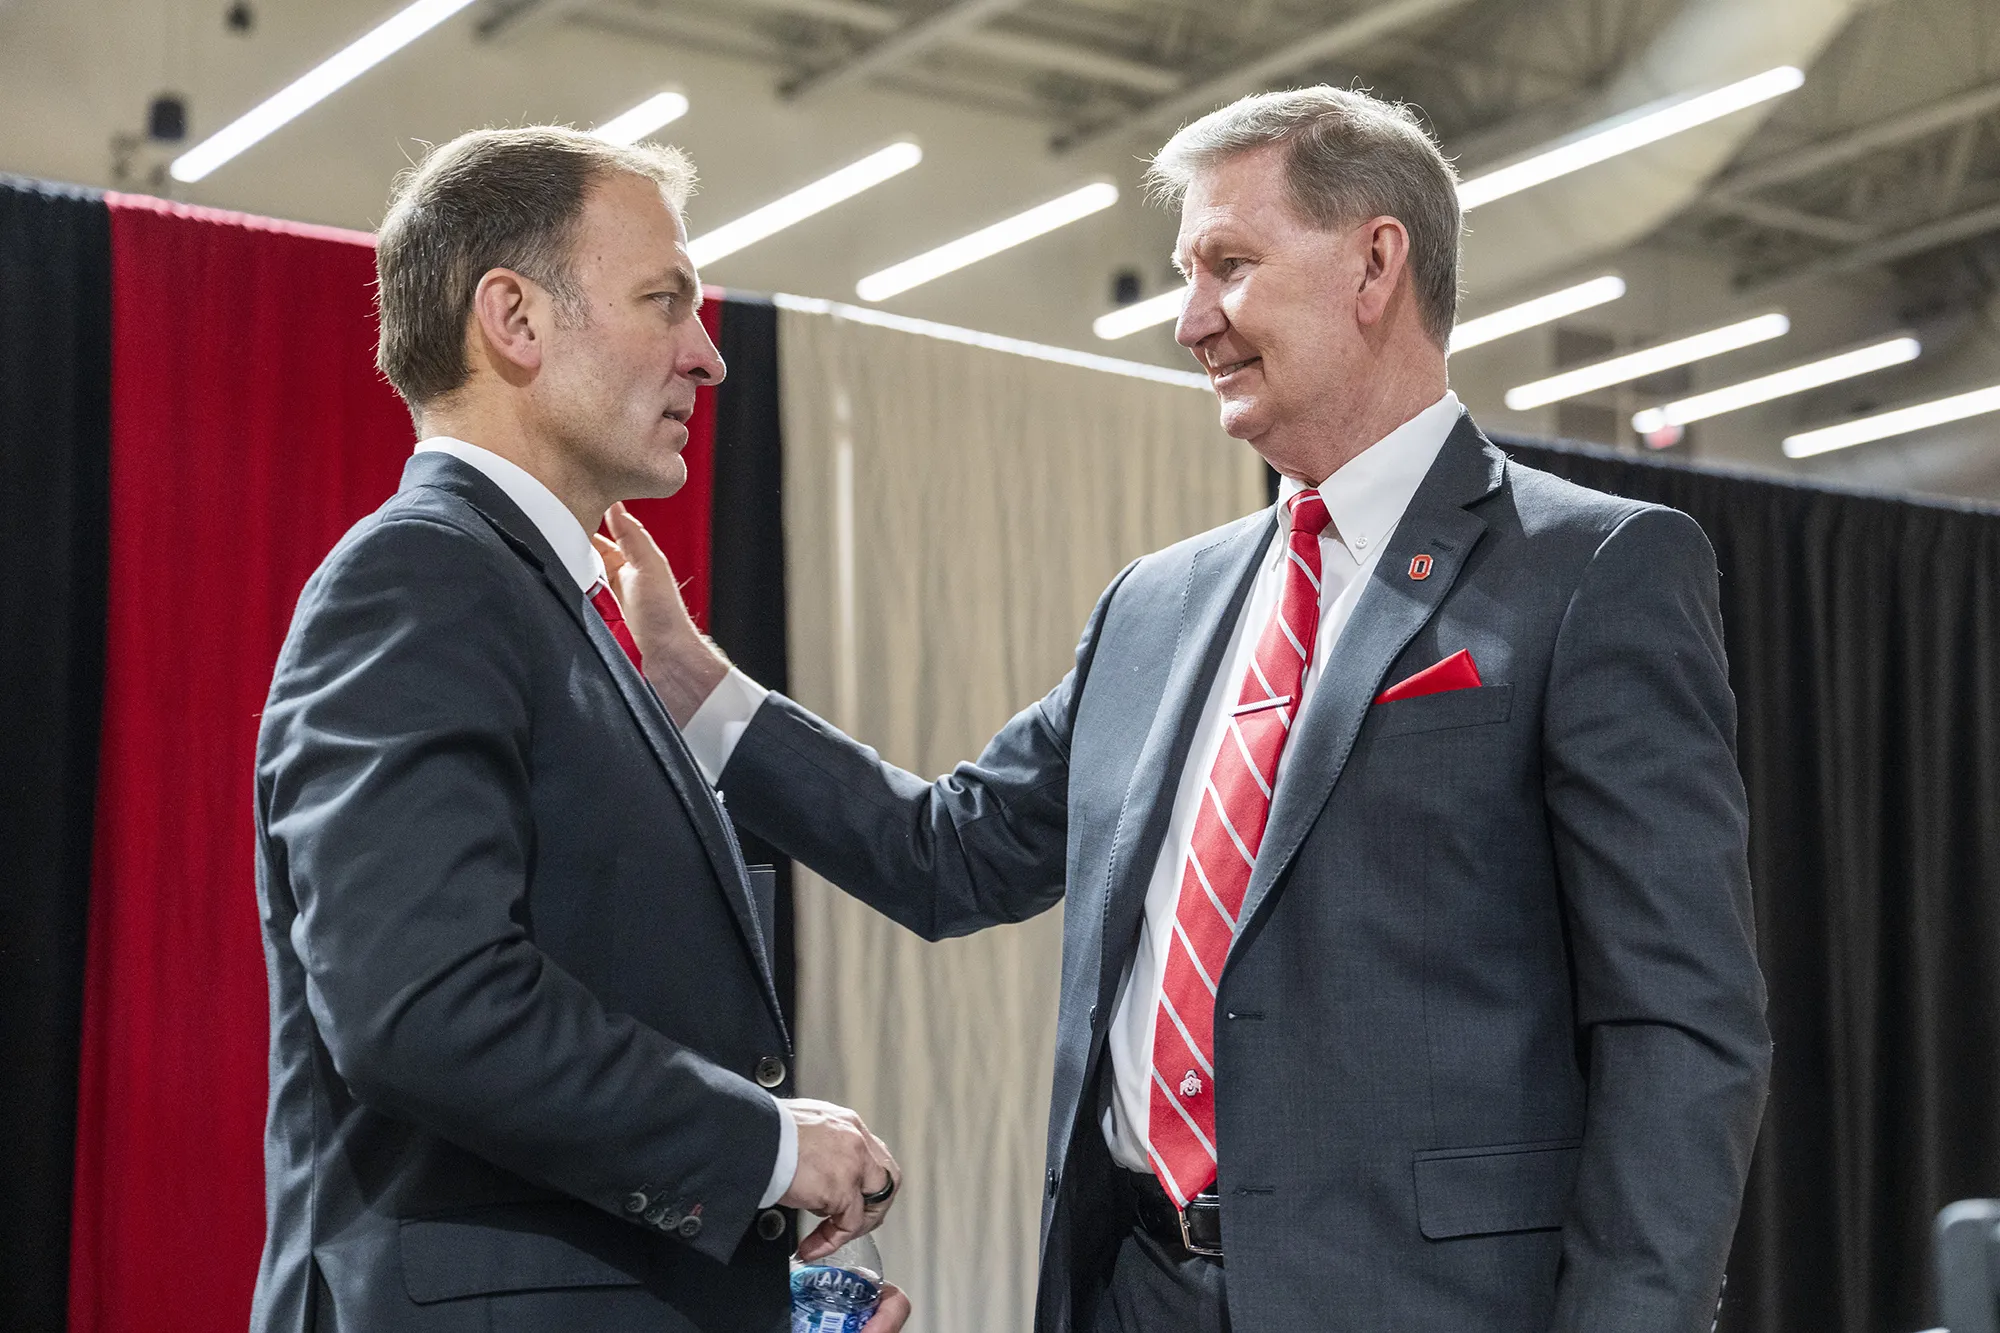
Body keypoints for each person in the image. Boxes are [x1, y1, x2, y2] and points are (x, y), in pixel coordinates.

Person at [607, 86, 1771, 1332]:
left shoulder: (1593, 569)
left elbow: (1678, 1022)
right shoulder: (1155, 605)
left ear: (1376, 261)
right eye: (1185, 272)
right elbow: (951, 855)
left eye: (1228, 264)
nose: (1189, 321)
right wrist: (693, 682)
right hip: (1131, 1290)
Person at [250, 126, 908, 1332]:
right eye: (664, 301)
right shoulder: (420, 578)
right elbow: (425, 1005)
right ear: (514, 319)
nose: (706, 356)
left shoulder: (533, 604)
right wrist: (761, 1141)